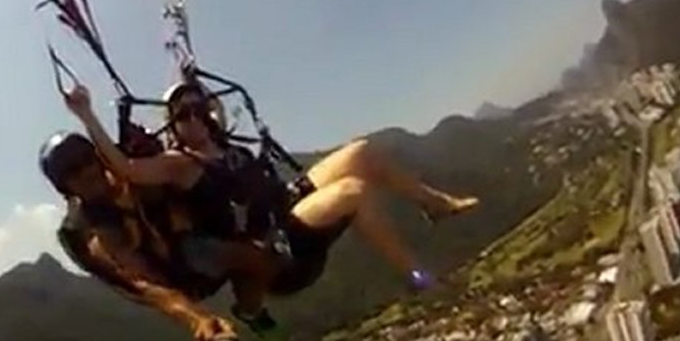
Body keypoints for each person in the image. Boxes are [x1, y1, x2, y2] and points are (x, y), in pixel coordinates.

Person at [63, 81, 480, 318]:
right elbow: (126, 169)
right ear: (173, 127)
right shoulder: (179, 163)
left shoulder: (226, 145)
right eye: (182, 116)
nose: (193, 119)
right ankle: (420, 280)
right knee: (353, 191)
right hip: (275, 245)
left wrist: (192, 83)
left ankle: (435, 204)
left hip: (283, 205)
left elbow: (212, 110)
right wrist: (86, 114)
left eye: (198, 110)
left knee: (363, 152)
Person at [39, 130, 283, 341]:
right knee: (248, 259)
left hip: (192, 235)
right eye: (72, 171)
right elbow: (140, 286)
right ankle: (257, 319)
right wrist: (196, 319)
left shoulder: (130, 168)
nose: (87, 171)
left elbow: (180, 170)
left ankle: (253, 312)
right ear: (64, 186)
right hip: (172, 272)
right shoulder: (90, 235)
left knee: (259, 260)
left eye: (87, 160)